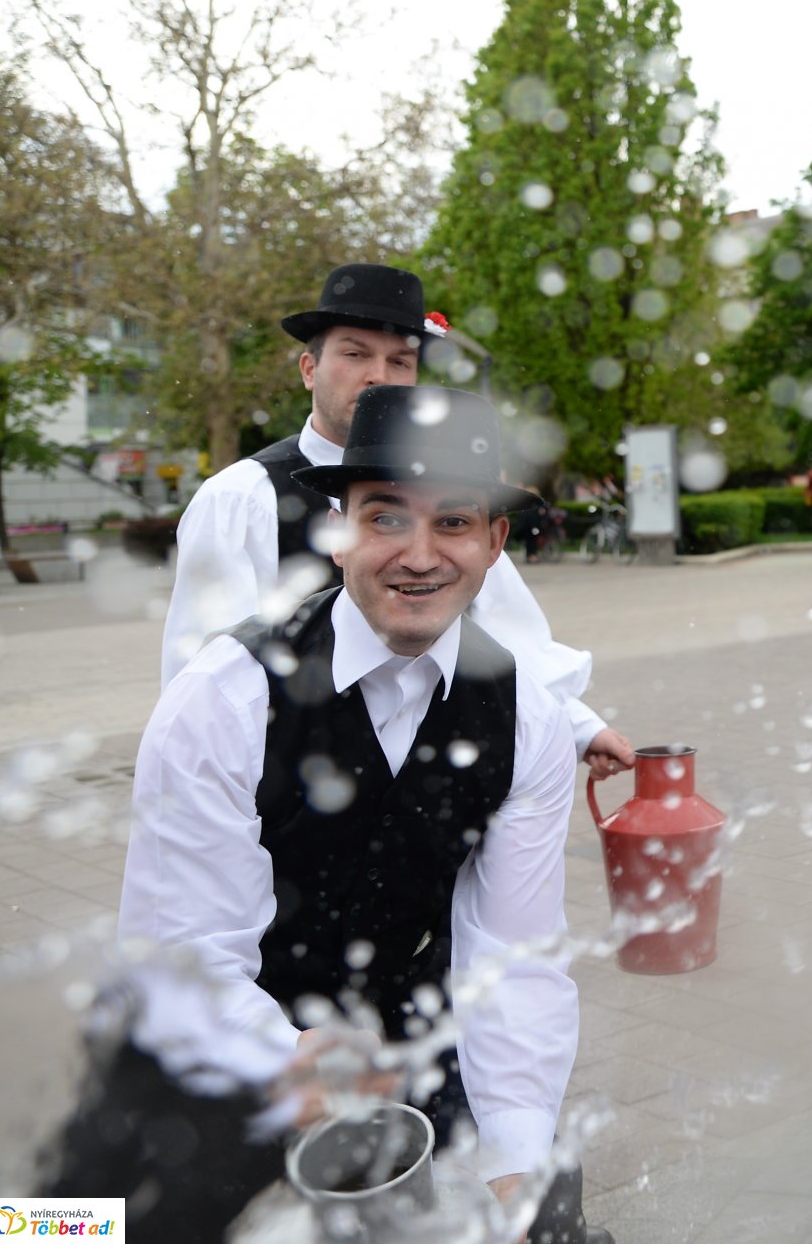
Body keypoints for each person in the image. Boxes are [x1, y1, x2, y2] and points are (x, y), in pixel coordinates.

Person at [105, 384, 607, 1242]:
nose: (419, 555)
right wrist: (294, 1064)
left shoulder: (527, 717)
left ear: (493, 543)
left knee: (542, 1218)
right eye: (385, 518)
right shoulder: (218, 704)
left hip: (416, 1047)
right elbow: (183, 963)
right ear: (338, 531)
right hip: (226, 1057)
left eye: (452, 522)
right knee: (65, 1227)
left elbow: (514, 963)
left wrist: (516, 1169)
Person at [159, 264, 633, 780]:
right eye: (355, 353)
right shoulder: (241, 498)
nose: (378, 376)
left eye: (400, 361)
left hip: (435, 787)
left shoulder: (448, 492)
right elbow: (205, 679)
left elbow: (505, 631)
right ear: (308, 368)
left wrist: (580, 727)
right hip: (291, 792)